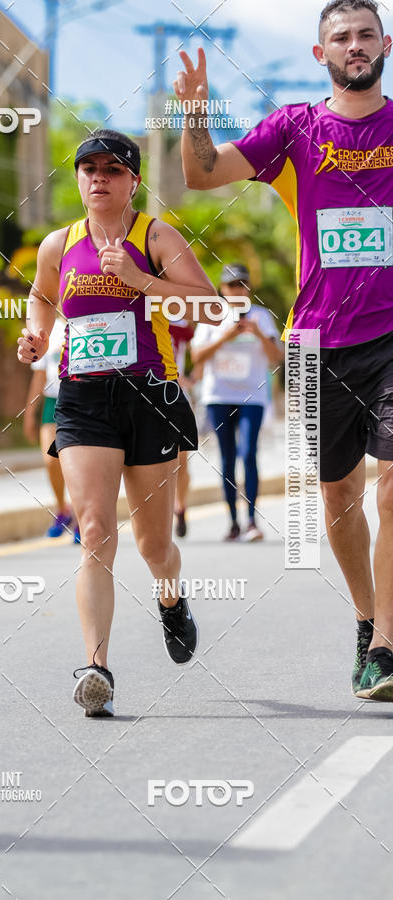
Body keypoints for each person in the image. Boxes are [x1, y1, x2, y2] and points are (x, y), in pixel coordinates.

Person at [174, 0, 393, 699]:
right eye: (341, 37)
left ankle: (387, 645)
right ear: (319, 52)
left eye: (365, 34)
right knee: (338, 495)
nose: (354, 46)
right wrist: (195, 111)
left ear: (385, 43)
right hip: (317, 338)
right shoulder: (297, 128)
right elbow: (203, 173)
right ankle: (367, 620)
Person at [17, 129, 220, 716]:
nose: (99, 177)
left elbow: (208, 305)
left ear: (134, 180)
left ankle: (171, 599)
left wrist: (141, 282)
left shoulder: (154, 236)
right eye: (89, 168)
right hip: (82, 397)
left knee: (156, 545)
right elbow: (41, 298)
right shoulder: (59, 244)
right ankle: (96, 668)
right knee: (97, 531)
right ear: (78, 179)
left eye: (113, 168)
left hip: (150, 396)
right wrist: (34, 337)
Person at [192, 264, 283, 542]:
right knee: (228, 458)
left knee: (249, 453)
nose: (237, 290)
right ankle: (233, 522)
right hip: (219, 396)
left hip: (252, 397)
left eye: (242, 284)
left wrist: (257, 334)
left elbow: (276, 357)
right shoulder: (213, 317)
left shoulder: (261, 316)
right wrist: (226, 336)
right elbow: (197, 356)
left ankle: (252, 521)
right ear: (222, 289)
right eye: (232, 285)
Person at [24, 316, 80, 541]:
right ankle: (62, 509)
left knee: (75, 465)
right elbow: (39, 374)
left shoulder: (85, 322)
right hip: (52, 401)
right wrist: (29, 412)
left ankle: (79, 520)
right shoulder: (48, 328)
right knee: (50, 460)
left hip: (79, 400)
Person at [168, 318, 197, 537]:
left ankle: (180, 507)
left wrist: (193, 378)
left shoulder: (179, 319)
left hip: (176, 392)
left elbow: (197, 337)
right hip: (145, 390)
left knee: (181, 459)